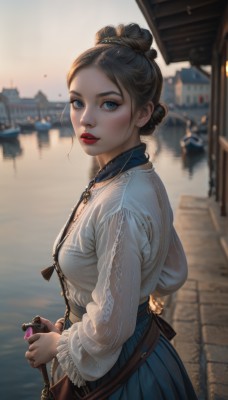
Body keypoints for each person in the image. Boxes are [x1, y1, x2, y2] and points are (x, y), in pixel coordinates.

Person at [25, 23, 198, 399]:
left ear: (142, 113)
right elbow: (171, 272)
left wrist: (60, 347)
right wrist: (82, 320)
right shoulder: (139, 177)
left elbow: (112, 329)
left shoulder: (120, 201)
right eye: (76, 101)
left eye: (109, 103)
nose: (85, 118)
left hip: (122, 376)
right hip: (147, 353)